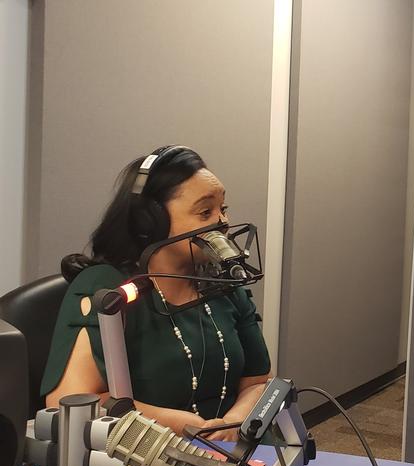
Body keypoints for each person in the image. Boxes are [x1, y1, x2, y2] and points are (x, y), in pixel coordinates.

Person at [42, 146, 271, 441]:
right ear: (150, 222)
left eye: (223, 209)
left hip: (231, 451)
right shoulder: (109, 291)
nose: (223, 223)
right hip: (142, 461)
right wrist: (181, 425)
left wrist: (234, 422)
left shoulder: (221, 280)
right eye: (205, 212)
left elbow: (257, 382)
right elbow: (70, 403)